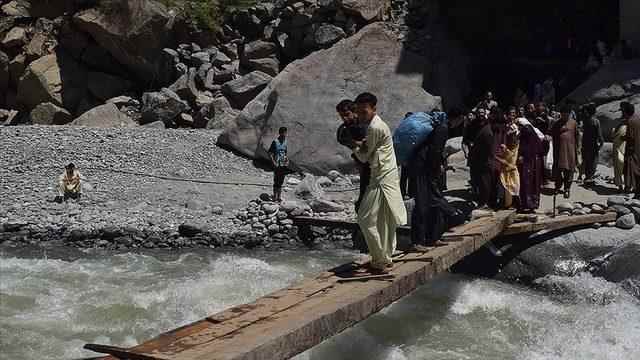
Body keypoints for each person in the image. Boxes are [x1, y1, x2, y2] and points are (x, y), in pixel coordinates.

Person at [352, 92, 407, 273]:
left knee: (365, 218)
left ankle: (380, 260)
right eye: (359, 112)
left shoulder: (374, 128)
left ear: (374, 109)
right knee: (384, 219)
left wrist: (353, 147)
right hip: (387, 174)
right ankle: (386, 256)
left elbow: (364, 156)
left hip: (381, 178)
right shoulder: (378, 125)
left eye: (364, 112)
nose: (361, 115)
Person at [409, 114, 452, 251]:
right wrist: (436, 168)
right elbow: (435, 150)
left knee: (431, 204)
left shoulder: (436, 128)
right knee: (422, 203)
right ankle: (418, 242)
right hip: (423, 169)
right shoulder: (443, 129)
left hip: (422, 167)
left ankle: (432, 237)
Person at [336, 99, 369, 253]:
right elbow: (346, 140)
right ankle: (362, 237)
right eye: (342, 116)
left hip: (373, 165)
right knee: (363, 200)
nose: (345, 118)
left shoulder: (365, 124)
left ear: (354, 111)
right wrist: (356, 145)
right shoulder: (345, 129)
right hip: (363, 165)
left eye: (347, 114)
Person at [517, 118, 547, 212]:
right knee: (531, 184)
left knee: (528, 184)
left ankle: (529, 204)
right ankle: (530, 204)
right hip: (532, 164)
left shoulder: (527, 137)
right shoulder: (531, 139)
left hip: (530, 164)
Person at [551, 105, 578, 199]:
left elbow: (577, 136)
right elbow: (551, 135)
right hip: (559, 151)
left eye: (567, 115)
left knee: (569, 171)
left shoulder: (573, 123)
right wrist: (559, 131)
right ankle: (557, 187)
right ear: (561, 115)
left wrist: (577, 150)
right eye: (563, 115)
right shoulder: (556, 124)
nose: (565, 117)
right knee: (558, 171)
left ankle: (567, 189)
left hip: (570, 151)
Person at [470, 110, 495, 208]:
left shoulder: (487, 130)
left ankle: (484, 202)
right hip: (481, 160)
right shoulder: (487, 131)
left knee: (484, 182)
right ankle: (484, 202)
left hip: (482, 160)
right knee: (484, 182)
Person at [580, 104, 604, 184]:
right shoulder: (596, 121)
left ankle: (586, 177)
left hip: (585, 143)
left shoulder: (585, 120)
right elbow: (599, 133)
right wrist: (601, 142)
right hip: (593, 144)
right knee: (593, 161)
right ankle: (589, 177)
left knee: (586, 160)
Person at [623, 102, 640, 198]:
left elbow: (631, 137)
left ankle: (633, 191)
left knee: (632, 170)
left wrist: (623, 138)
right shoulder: (638, 117)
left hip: (632, 150)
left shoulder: (630, 121)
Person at [268, 127, 289, 202]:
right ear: (280, 133)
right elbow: (270, 153)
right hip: (277, 163)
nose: (285, 134)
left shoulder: (285, 142)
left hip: (283, 164)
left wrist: (287, 159)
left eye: (286, 133)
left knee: (281, 180)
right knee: (276, 180)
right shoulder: (275, 142)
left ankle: (279, 197)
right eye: (284, 133)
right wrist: (273, 162)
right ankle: (274, 196)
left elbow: (285, 152)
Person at [612, 117, 629, 192]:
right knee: (625, 169)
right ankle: (626, 186)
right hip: (623, 150)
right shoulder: (626, 127)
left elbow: (613, 136)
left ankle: (620, 186)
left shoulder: (618, 127)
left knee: (618, 169)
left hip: (617, 150)